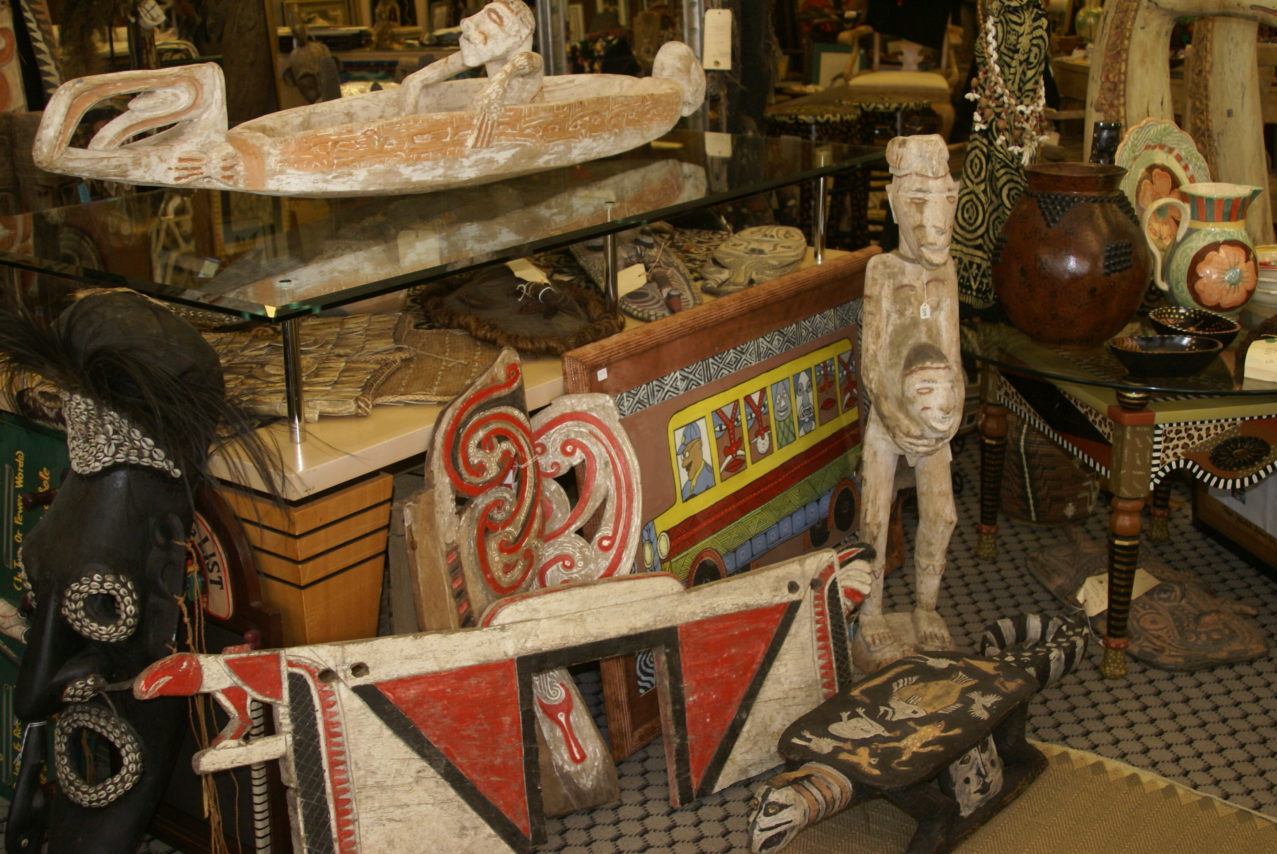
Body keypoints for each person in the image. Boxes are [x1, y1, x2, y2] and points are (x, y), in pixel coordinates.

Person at [853, 133, 963, 664]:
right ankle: (870, 613)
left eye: (945, 201)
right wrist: (897, 418)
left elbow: (954, 354)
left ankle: (926, 607)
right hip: (890, 416)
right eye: (919, 202)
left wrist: (949, 419)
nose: (935, 221)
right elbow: (873, 361)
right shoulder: (882, 271)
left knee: (942, 515)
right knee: (874, 518)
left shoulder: (947, 271)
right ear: (896, 206)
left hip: (934, 414)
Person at [399, 0, 544, 147]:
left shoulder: (531, 63)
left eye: (493, 18)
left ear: (520, 34)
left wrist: (497, 83)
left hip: (523, 136)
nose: (467, 24)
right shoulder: (491, 53)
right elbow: (415, 79)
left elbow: (525, 62)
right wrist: (406, 125)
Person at [678, 421, 716, 500]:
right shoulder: (685, 489)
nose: (683, 465)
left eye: (686, 454)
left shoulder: (712, 478)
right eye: (682, 457)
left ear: (699, 445)